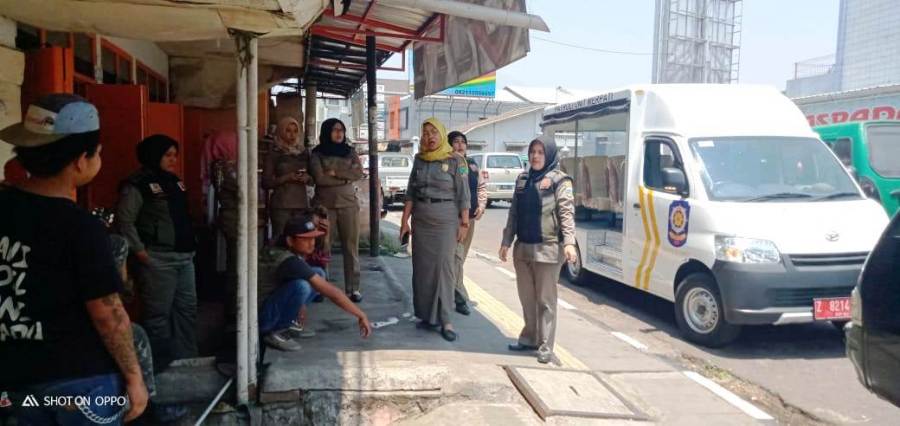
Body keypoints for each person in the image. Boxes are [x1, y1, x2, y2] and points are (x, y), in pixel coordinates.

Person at [0, 94, 148, 424]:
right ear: (81, 160)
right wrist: (135, 379)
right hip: (74, 386)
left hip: (11, 384)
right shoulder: (80, 228)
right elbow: (108, 315)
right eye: (98, 152)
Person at [117, 134, 198, 368]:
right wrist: (140, 251)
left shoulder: (174, 181)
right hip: (158, 259)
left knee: (187, 310)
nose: (173, 160)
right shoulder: (137, 184)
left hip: (185, 258)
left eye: (175, 155)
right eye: (167, 155)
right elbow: (125, 221)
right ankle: (157, 366)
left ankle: (187, 361)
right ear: (153, 156)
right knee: (157, 316)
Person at [499, 136, 577, 364]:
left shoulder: (560, 181)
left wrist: (570, 242)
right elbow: (513, 213)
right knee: (527, 298)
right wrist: (506, 241)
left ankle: (545, 345)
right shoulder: (522, 179)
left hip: (549, 250)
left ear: (550, 155)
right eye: (532, 151)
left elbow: (566, 213)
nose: (535, 156)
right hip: (522, 249)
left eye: (540, 152)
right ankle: (530, 337)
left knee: (545, 300)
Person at [399, 118, 471, 342]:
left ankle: (446, 319)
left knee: (445, 270)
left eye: (434, 133)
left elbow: (464, 195)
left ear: (442, 135)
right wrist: (404, 221)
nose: (430, 137)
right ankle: (426, 315)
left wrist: (464, 224)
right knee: (422, 269)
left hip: (446, 220)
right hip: (421, 219)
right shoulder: (419, 160)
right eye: (426, 133)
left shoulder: (456, 161)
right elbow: (411, 192)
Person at [260, 215, 373, 351]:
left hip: (269, 306)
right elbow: (332, 293)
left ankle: (288, 322)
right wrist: (361, 314)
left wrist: (299, 305)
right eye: (305, 239)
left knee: (318, 273)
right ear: (290, 240)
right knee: (303, 286)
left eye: (313, 237)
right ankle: (276, 331)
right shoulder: (288, 261)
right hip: (260, 318)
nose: (312, 243)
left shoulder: (286, 250)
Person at [310, 118, 365, 302]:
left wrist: (336, 173)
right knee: (322, 247)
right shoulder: (317, 154)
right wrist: (345, 178)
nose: (338, 133)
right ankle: (321, 288)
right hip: (325, 207)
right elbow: (319, 178)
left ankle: (353, 289)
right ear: (327, 132)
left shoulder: (349, 152)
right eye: (334, 130)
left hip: (348, 205)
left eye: (341, 130)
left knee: (351, 248)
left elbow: (358, 173)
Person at [448, 131, 487, 316]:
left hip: (469, 220)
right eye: (456, 142)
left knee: (459, 259)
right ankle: (460, 297)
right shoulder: (446, 163)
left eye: (463, 142)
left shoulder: (472, 165)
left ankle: (452, 291)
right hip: (452, 220)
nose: (460, 145)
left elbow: (481, 187)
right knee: (456, 258)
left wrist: (481, 204)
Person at [263, 117, 311, 239]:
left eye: (295, 131)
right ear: (280, 132)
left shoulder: (304, 153)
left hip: (301, 204)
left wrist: (307, 178)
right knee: (280, 240)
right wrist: (287, 177)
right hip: (281, 206)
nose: (292, 135)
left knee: (301, 240)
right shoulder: (274, 153)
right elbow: (266, 183)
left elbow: (314, 179)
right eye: (288, 131)